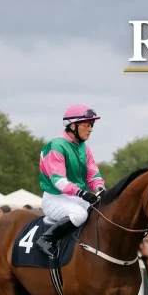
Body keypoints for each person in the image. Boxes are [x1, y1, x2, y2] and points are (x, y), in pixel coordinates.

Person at [37, 104, 106, 258]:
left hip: (76, 197)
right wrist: (82, 193)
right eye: (87, 125)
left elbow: (93, 175)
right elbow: (59, 181)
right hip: (55, 198)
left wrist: (100, 189)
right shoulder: (56, 145)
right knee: (79, 215)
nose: (91, 129)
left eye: (92, 125)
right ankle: (46, 239)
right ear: (73, 125)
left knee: (104, 213)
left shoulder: (84, 148)